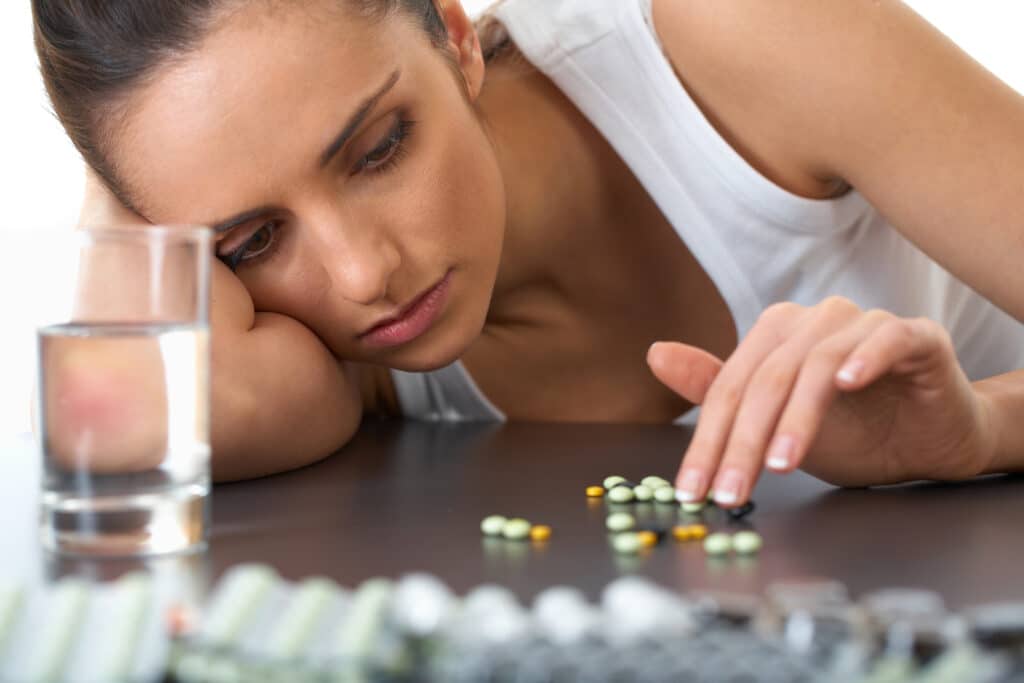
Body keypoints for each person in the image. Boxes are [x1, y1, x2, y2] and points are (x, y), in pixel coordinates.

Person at [32, 0, 1024, 505]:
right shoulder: (302, 341)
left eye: (379, 147)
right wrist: (129, 177)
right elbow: (115, 415)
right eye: (251, 239)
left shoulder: (734, 35)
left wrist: (983, 427)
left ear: (457, 37)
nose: (358, 274)